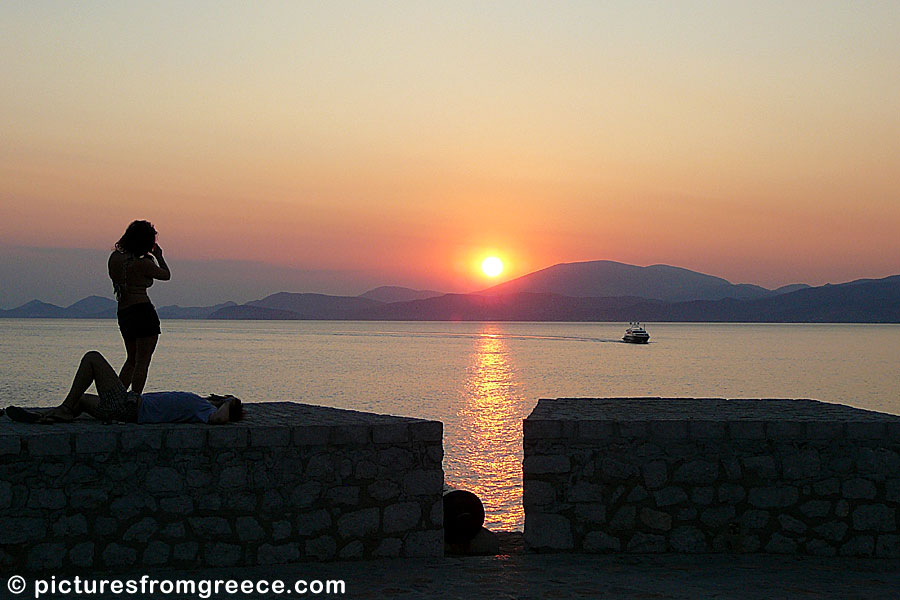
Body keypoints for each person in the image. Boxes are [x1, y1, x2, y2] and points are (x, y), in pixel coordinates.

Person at [5, 351, 241, 425]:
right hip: (124, 407)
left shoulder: (203, 409)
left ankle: (63, 409)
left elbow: (218, 421)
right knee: (83, 401)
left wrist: (230, 401)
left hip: (127, 408)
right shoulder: (200, 403)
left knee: (92, 358)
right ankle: (43, 417)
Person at [108, 220, 170, 395]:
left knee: (131, 360)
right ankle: (134, 399)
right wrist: (159, 256)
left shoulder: (114, 259)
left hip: (124, 312)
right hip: (142, 311)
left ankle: (116, 398)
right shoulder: (144, 263)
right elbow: (166, 275)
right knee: (142, 362)